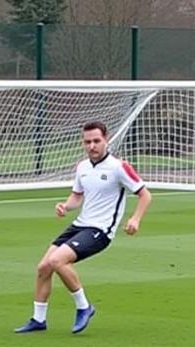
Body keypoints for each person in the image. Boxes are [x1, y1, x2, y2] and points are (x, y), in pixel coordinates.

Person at [14, 121, 152, 335]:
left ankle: (84, 307)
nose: (92, 146)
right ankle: (38, 320)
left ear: (106, 139)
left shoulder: (118, 167)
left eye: (96, 141)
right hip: (80, 224)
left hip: (100, 230)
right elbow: (77, 196)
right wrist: (65, 206)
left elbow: (145, 194)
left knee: (57, 260)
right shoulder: (82, 167)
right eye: (87, 142)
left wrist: (135, 219)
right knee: (43, 268)